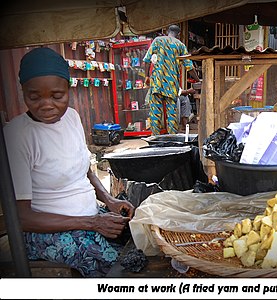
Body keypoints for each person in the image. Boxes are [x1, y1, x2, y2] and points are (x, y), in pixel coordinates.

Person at [3, 47, 135, 277]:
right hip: (48, 234)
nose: (46, 104)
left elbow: (85, 170)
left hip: (91, 216)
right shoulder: (17, 135)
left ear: (68, 90)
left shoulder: (72, 117)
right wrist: (92, 223)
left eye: (57, 96)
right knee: (120, 269)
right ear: (22, 91)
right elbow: (22, 218)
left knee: (140, 238)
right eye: (34, 97)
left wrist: (109, 200)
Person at [143, 24, 200, 135]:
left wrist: (147, 76)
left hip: (157, 83)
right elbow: (189, 67)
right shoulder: (180, 45)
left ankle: (155, 137)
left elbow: (147, 60)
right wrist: (198, 80)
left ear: (167, 31)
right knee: (172, 113)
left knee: (155, 113)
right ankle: (172, 137)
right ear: (178, 34)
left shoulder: (158, 41)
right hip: (171, 84)